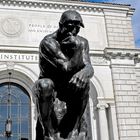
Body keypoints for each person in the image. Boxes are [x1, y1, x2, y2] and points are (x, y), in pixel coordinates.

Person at [33, 10, 94, 140]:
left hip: (69, 87)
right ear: (61, 25)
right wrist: (77, 49)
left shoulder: (82, 42)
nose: (74, 32)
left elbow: (89, 67)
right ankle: (48, 133)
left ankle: (74, 130)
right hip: (51, 88)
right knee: (45, 85)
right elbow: (66, 68)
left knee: (85, 82)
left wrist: (85, 73)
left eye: (77, 28)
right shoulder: (48, 43)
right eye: (70, 27)